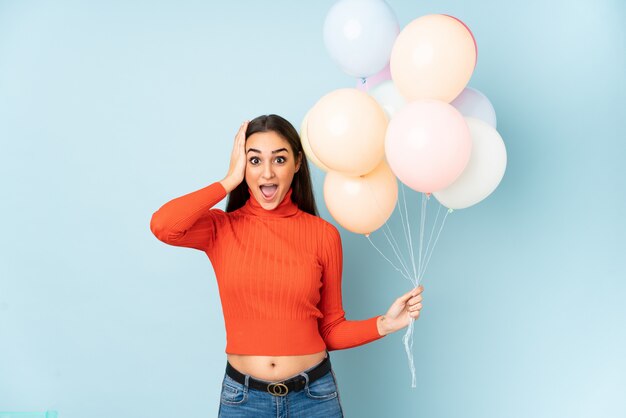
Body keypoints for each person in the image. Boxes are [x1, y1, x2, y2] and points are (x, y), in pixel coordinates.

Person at [150, 114, 424, 417]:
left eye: (279, 160)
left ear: (297, 163)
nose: (267, 172)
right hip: (243, 400)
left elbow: (330, 330)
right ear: (243, 167)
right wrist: (228, 180)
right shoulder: (221, 229)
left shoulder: (323, 235)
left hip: (314, 398)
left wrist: (384, 324)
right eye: (254, 161)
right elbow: (163, 225)